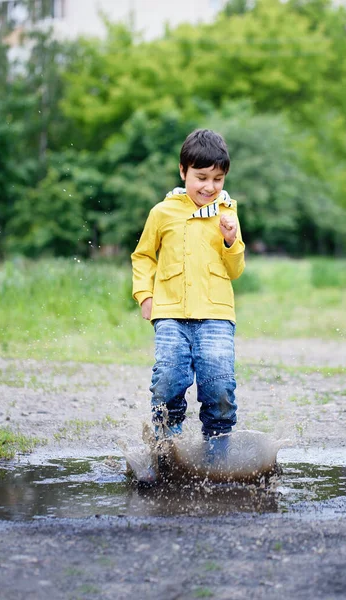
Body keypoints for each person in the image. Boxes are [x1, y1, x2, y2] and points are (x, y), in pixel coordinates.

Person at [131, 128, 245, 483]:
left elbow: (235, 269)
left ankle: (217, 456)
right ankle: (167, 452)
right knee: (167, 379)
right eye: (201, 177)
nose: (209, 186)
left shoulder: (227, 213)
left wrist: (230, 241)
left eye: (217, 178)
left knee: (219, 382)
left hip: (215, 314)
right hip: (170, 313)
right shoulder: (162, 212)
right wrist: (145, 296)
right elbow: (143, 256)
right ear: (183, 171)